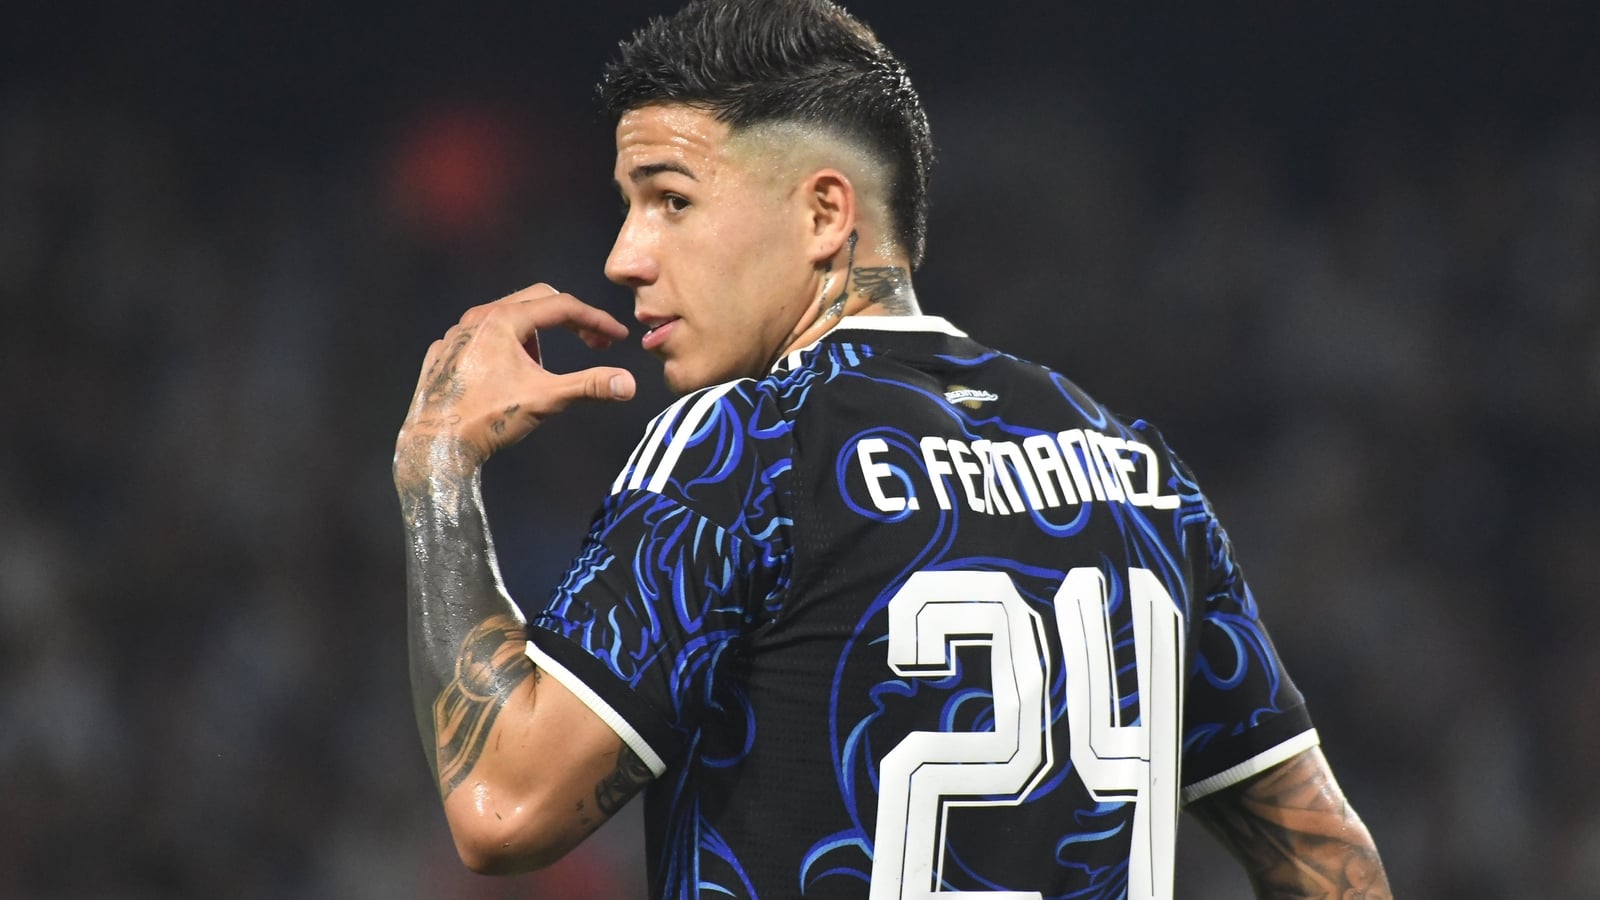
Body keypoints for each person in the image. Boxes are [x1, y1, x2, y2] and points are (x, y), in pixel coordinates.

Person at [393, 1, 1393, 897]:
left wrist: (437, 466)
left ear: (824, 214)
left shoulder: (746, 444)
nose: (624, 255)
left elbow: (503, 808)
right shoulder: (1135, 471)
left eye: (671, 199)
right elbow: (1331, 862)